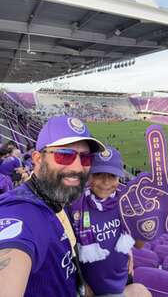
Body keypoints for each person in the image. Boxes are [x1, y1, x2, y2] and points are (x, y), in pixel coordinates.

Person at [0, 115, 105, 297]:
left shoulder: (56, 196)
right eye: (65, 156)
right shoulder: (19, 212)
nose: (78, 167)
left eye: (86, 158)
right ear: (37, 159)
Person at [72, 146, 151, 297]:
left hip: (122, 279)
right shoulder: (76, 205)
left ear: (119, 177)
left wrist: (143, 221)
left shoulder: (127, 203)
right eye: (98, 174)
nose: (105, 182)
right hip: (91, 286)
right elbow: (68, 250)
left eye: (112, 176)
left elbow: (139, 245)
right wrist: (79, 281)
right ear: (89, 175)